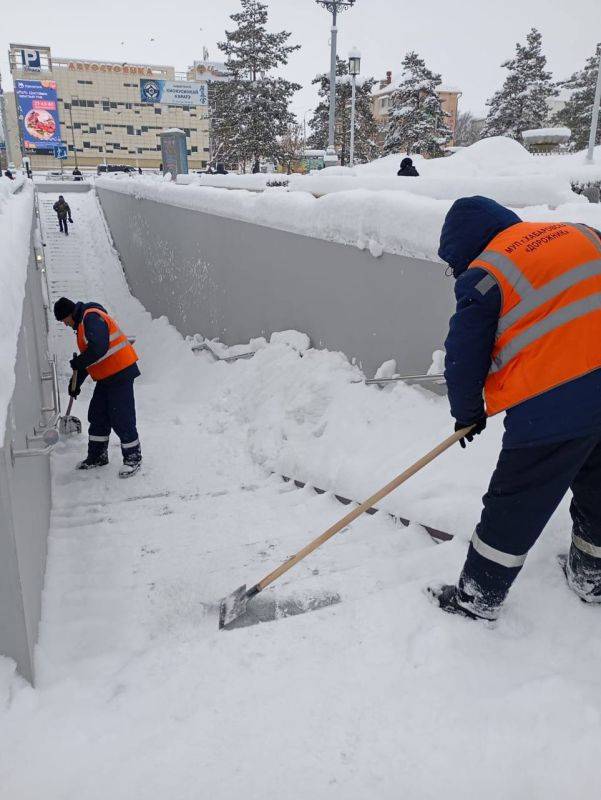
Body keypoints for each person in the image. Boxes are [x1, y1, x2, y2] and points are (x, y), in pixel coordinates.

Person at [430, 195, 601, 620]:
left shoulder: (486, 274)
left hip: (555, 405)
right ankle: (592, 576)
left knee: (517, 501)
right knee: (600, 486)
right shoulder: (582, 234)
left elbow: (464, 354)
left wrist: (467, 413)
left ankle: (477, 599)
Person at [53, 297, 142, 477]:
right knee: (97, 414)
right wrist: (75, 383)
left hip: (120, 373)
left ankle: (133, 457)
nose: (64, 324)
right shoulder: (83, 325)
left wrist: (79, 362)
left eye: (64, 320)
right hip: (107, 377)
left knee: (121, 416)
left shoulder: (91, 317)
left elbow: (99, 348)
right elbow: (90, 358)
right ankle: (97, 455)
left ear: (69, 313)